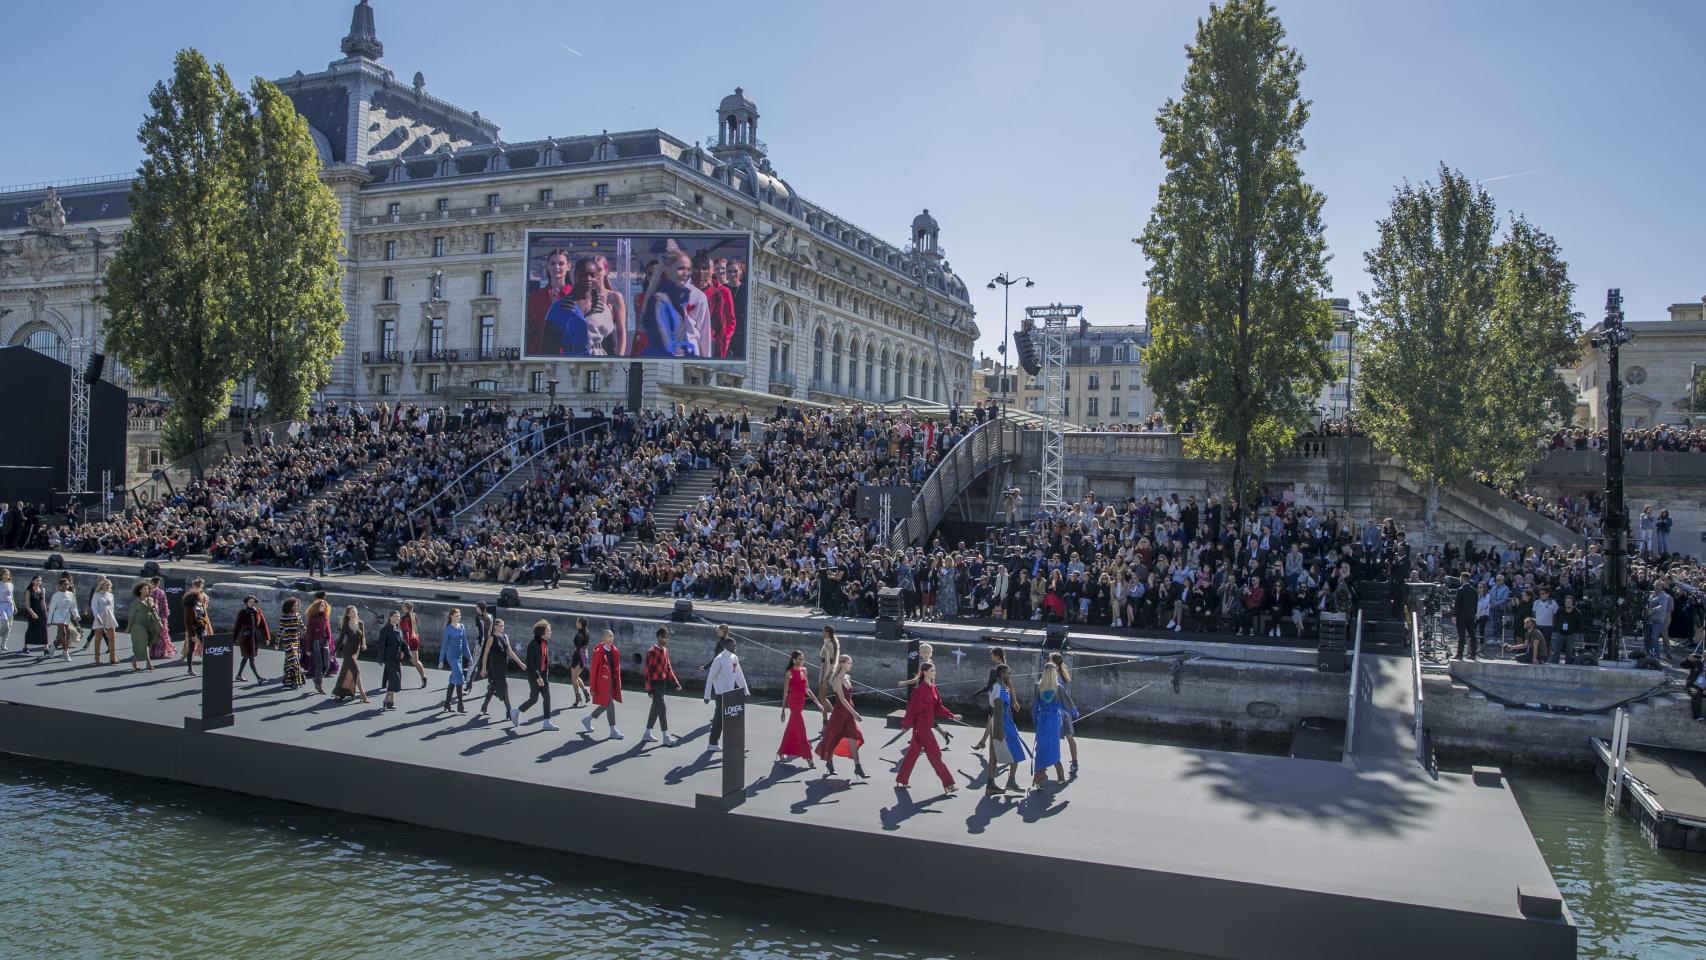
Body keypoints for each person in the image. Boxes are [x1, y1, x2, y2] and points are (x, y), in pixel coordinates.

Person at [895, 661, 961, 796]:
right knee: (936, 754)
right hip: (922, 728)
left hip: (925, 727)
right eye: (932, 670)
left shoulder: (933, 687)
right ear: (925, 672)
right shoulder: (919, 690)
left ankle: (901, 780)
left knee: (913, 753)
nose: (934, 672)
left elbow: (938, 707)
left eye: (935, 670)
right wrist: (904, 725)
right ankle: (949, 784)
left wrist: (952, 716)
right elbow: (911, 709)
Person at [815, 654, 867, 778]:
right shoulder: (836, 679)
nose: (851, 665)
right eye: (849, 663)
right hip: (840, 713)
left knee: (853, 738)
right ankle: (829, 763)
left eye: (851, 663)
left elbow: (848, 699)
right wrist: (855, 713)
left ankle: (858, 767)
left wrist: (852, 713)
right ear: (842, 663)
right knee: (832, 738)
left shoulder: (847, 677)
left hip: (848, 714)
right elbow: (843, 700)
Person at [635, 251, 694, 357]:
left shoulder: (677, 300)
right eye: (681, 269)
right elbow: (664, 346)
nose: (686, 274)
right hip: (660, 365)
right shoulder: (659, 301)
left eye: (688, 269)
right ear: (668, 270)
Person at [777, 650, 828, 768]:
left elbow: (807, 690)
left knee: (792, 727)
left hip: (801, 702)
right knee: (801, 728)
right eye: (800, 659)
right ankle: (809, 758)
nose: (802, 661)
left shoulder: (804, 670)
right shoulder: (789, 673)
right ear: (794, 660)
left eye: (803, 659)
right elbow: (785, 692)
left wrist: (818, 703)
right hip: (793, 702)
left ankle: (781, 751)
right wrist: (783, 709)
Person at [703, 634, 751, 754]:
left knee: (725, 720)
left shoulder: (734, 658)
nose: (735, 647)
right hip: (720, 694)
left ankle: (714, 744)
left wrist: (745, 690)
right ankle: (720, 744)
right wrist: (707, 696)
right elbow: (710, 677)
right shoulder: (719, 659)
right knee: (722, 720)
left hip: (731, 694)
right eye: (733, 645)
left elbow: (739, 675)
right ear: (727, 646)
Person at [985, 663, 1028, 795]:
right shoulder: (999, 687)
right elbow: (998, 708)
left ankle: (991, 784)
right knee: (1016, 750)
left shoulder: (998, 686)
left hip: (999, 721)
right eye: (1008, 673)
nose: (1010, 675)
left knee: (994, 754)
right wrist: (1000, 731)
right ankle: (1011, 781)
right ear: (1002, 674)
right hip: (1002, 722)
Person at [525, 248, 575, 356]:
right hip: (541, 355)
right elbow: (529, 332)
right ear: (547, 266)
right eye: (552, 263)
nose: (556, 267)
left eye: (561, 263)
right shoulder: (534, 298)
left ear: (568, 266)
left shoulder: (576, 296)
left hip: (570, 355)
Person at [477, 618, 525, 726]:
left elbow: (510, 652)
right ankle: (509, 711)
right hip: (495, 667)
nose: (501, 628)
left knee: (494, 686)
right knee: (504, 686)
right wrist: (484, 669)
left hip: (503, 667)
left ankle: (485, 704)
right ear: (494, 626)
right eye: (500, 626)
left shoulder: (505, 637)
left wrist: (520, 663)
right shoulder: (491, 638)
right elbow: (485, 655)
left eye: (503, 626)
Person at [642, 626, 682, 745]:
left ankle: (647, 734)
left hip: (662, 683)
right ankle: (665, 736)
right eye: (665, 637)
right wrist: (649, 689)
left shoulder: (665, 650)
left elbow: (668, 668)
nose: (667, 639)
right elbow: (646, 672)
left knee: (655, 709)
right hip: (655, 685)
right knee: (662, 709)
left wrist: (676, 683)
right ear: (659, 637)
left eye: (667, 637)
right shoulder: (652, 652)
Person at [1031, 663, 1069, 787]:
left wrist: (1036, 723)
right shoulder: (1059, 688)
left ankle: (1038, 777)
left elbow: (1035, 708)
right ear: (1054, 673)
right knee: (1053, 747)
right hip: (1053, 721)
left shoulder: (1037, 686)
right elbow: (1067, 705)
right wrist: (1075, 713)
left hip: (1042, 720)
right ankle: (1060, 776)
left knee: (1041, 748)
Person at [518, 619, 559, 731]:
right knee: (534, 699)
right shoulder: (533, 644)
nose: (550, 632)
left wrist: (544, 676)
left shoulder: (545, 643)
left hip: (543, 676)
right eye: (549, 630)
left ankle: (546, 722)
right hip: (534, 676)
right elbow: (530, 663)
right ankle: (516, 711)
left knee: (547, 697)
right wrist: (537, 677)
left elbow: (544, 661)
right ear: (543, 632)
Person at [582, 629, 623, 739]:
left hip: (612, 682)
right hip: (602, 683)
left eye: (612, 637)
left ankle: (587, 719)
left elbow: (616, 669)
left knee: (605, 704)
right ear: (603, 638)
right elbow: (594, 671)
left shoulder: (614, 650)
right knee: (610, 704)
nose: (611, 639)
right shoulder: (598, 652)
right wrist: (592, 688)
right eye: (609, 637)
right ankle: (613, 730)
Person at [1048, 652, 1081, 774]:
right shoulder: (1062, 674)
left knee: (1050, 737)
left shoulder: (1055, 676)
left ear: (1053, 662)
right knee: (1069, 737)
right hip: (1064, 712)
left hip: (1058, 713)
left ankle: (1045, 764)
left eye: (1049, 660)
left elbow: (1061, 696)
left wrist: (1073, 711)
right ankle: (1074, 762)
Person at [970, 647, 1008, 751]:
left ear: (997, 656)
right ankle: (982, 742)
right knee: (991, 721)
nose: (991, 657)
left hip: (996, 700)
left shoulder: (994, 670)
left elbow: (988, 686)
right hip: (1003, 699)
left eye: (992, 655)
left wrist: (977, 693)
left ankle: (1006, 748)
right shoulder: (1006, 668)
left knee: (997, 724)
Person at [331, 607, 370, 704]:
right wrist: (334, 651)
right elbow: (340, 639)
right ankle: (363, 695)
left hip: (356, 651)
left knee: (347, 671)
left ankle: (340, 692)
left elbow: (363, 637)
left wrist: (364, 644)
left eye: (356, 611)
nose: (355, 612)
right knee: (356, 671)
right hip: (347, 650)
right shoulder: (346, 624)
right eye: (353, 611)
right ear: (348, 614)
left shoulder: (361, 623)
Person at [233, 595, 273, 684]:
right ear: (247, 603)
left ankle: (239, 675)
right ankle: (258, 677)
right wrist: (233, 639)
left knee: (246, 657)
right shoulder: (242, 612)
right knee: (250, 658)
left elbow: (263, 625)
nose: (252, 603)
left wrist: (267, 638)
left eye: (253, 602)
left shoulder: (258, 611)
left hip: (254, 637)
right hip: (245, 637)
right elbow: (237, 626)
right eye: (250, 602)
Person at [438, 608, 471, 714]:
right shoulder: (448, 628)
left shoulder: (462, 627)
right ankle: (460, 705)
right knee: (460, 676)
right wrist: (441, 661)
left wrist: (470, 658)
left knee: (454, 679)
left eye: (459, 616)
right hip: (451, 656)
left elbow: (465, 644)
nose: (458, 617)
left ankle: (447, 703)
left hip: (459, 656)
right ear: (451, 616)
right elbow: (444, 646)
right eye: (456, 615)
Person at [303, 592, 334, 695]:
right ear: (317, 606)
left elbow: (329, 633)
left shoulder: (325, 618)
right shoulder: (312, 619)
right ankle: (319, 685)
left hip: (325, 642)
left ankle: (316, 679)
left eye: (325, 606)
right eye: (321, 605)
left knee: (327, 665)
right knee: (319, 665)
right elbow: (309, 635)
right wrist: (308, 649)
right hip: (316, 643)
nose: (323, 607)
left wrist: (331, 646)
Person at [377, 610, 407, 711]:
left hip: (397, 658)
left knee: (392, 680)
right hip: (388, 658)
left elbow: (402, 642)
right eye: (395, 617)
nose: (397, 619)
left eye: (398, 617)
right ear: (390, 617)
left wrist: (404, 652)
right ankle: (387, 699)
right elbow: (381, 646)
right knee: (395, 679)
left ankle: (389, 701)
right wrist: (380, 659)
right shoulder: (385, 630)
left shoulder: (398, 628)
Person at [125, 582, 159, 672]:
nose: (146, 590)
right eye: (144, 589)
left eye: (147, 589)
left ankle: (135, 661)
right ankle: (148, 662)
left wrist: (159, 623)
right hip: (138, 625)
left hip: (148, 623)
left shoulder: (150, 600)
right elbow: (131, 616)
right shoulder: (136, 602)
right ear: (140, 590)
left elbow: (154, 612)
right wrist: (129, 627)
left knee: (146, 643)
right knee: (144, 641)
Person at [45, 576, 79, 661]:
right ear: (60, 585)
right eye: (64, 584)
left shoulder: (70, 594)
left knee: (65, 634)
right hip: (58, 615)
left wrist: (76, 615)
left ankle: (53, 646)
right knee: (63, 633)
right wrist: (49, 621)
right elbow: (52, 608)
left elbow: (73, 606)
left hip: (66, 615)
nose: (66, 586)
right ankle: (65, 652)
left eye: (67, 584)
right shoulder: (56, 595)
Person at [182, 578, 211, 675]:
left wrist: (204, 624)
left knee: (206, 647)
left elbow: (204, 615)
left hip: (201, 628)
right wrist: (192, 634)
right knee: (191, 648)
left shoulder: (200, 603)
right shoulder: (189, 607)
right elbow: (187, 622)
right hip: (193, 630)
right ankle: (190, 668)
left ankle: (206, 667)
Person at [276, 598, 305, 689]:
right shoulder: (284, 617)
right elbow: (280, 629)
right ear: (289, 606)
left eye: (297, 605)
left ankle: (288, 681)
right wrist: (276, 642)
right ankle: (295, 681)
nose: (296, 607)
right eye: (294, 606)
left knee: (289, 661)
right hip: (287, 640)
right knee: (293, 660)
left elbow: (302, 627)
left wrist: (312, 633)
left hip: (296, 640)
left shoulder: (298, 615)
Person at [88, 578, 118, 666]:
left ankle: (113, 657)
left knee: (112, 636)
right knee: (98, 637)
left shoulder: (111, 595)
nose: (107, 587)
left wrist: (112, 616)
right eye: (106, 585)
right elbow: (94, 607)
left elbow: (112, 607)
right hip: (100, 616)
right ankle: (97, 658)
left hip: (109, 616)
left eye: (109, 585)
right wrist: (97, 617)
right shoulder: (97, 595)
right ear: (102, 585)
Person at [399, 601, 428, 688]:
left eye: (403, 606)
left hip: (407, 641)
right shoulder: (414, 615)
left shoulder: (404, 619)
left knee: (398, 660)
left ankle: (396, 680)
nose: (402, 608)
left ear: (406, 608)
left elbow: (406, 632)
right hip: (415, 639)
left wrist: (406, 644)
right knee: (416, 661)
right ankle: (423, 678)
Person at [148, 577, 176, 660]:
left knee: (152, 634)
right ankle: (160, 652)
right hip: (160, 616)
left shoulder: (149, 592)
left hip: (152, 617)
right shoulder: (161, 592)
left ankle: (151, 651)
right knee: (161, 634)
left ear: (151, 583)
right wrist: (165, 617)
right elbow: (165, 605)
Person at [1454, 575, 1480, 661]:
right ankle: (1473, 654)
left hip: (1461, 616)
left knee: (1461, 636)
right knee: (1472, 635)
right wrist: (1475, 613)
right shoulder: (1474, 591)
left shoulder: (1460, 590)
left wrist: (1455, 615)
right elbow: (1476, 604)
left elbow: (1458, 604)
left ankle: (1459, 654)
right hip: (1471, 615)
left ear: (1464, 579)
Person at [569, 616, 591, 707]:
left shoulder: (579, 635)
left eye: (577, 622)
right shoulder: (587, 631)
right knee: (576, 676)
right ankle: (585, 692)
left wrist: (580, 661)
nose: (576, 623)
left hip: (578, 656)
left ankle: (578, 697)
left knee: (574, 679)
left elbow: (578, 649)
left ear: (581, 624)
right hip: (585, 654)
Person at [21, 574, 46, 656]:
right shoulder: (29, 591)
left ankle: (46, 648)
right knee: (31, 628)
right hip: (33, 611)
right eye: (38, 580)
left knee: (44, 629)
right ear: (33, 581)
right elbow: (27, 604)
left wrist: (46, 613)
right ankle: (25, 646)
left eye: (40, 581)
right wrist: (32, 613)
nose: (39, 582)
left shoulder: (42, 590)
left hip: (41, 612)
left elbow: (43, 603)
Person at [817, 625, 840, 702]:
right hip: (826, 667)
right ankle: (829, 711)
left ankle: (827, 712)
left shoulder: (829, 644)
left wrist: (825, 677)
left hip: (826, 668)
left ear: (827, 633)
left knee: (822, 695)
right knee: (822, 696)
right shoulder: (829, 642)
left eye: (823, 631)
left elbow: (829, 661)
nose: (822, 633)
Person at [0, 569, 14, 652]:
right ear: (1, 575)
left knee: (9, 627)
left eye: (8, 574)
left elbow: (12, 597)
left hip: (10, 606)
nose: (6, 576)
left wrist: (14, 607)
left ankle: (3, 644)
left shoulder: (11, 585)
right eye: (5, 574)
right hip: (1, 606)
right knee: (5, 624)